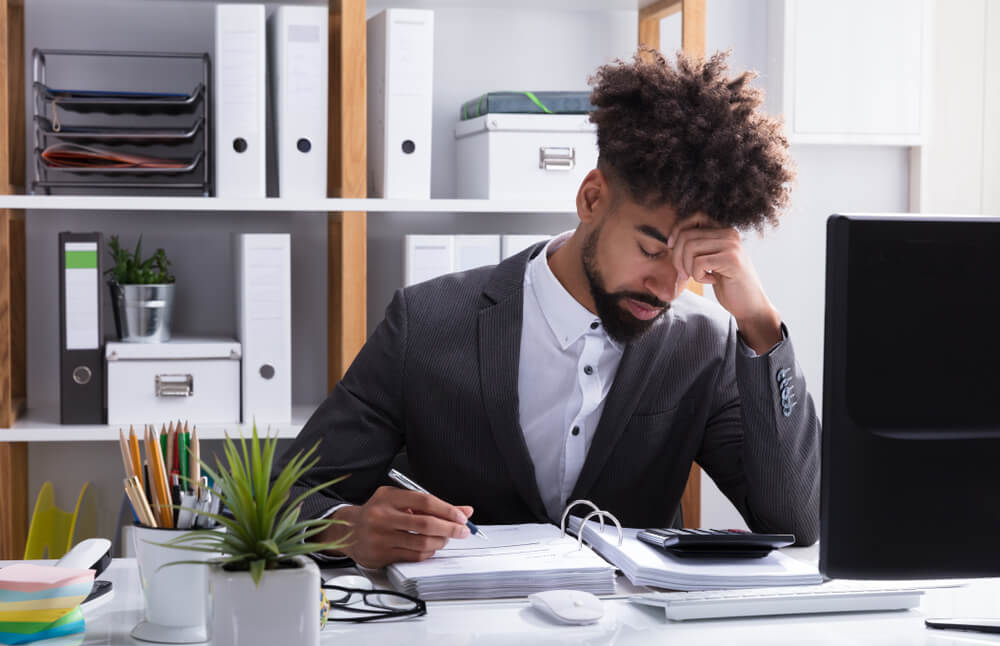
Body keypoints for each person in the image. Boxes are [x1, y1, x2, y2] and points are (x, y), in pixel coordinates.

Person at [279, 48, 819, 569]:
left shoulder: (709, 342)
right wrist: (346, 528)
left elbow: (798, 522)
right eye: (652, 251)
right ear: (591, 199)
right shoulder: (425, 323)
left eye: (691, 263)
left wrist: (759, 325)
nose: (668, 287)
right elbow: (285, 496)